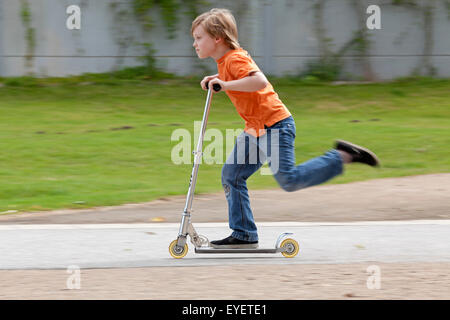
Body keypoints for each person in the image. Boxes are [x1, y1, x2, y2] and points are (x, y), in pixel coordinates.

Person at [191, 8, 380, 249]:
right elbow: (234, 79)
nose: (195, 44)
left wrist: (225, 84)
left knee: (289, 180)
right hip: (255, 129)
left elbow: (259, 81)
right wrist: (216, 79)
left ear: (217, 38)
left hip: (275, 126)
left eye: (199, 38)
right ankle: (243, 234)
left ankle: (342, 156)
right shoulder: (225, 62)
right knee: (232, 175)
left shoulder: (236, 58)